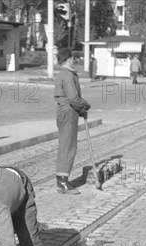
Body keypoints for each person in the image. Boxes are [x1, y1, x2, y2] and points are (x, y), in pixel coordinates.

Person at [54, 48, 90, 195]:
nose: (74, 61)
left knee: (66, 145)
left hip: (65, 111)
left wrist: (81, 110)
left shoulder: (62, 73)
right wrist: (85, 106)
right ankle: (62, 183)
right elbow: (73, 99)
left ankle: (62, 179)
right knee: (68, 147)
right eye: (73, 59)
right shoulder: (68, 75)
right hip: (69, 112)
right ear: (69, 59)